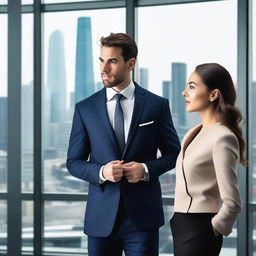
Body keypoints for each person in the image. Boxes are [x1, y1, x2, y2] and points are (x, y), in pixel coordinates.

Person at [66, 32, 181, 256]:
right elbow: (73, 162)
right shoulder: (85, 108)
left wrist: (145, 169)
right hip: (100, 219)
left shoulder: (156, 105)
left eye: (112, 61)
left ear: (131, 63)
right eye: (101, 60)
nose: (103, 68)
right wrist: (101, 171)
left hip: (142, 219)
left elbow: (174, 153)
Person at [170, 63, 246, 256]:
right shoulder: (191, 134)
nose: (184, 92)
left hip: (200, 229)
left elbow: (233, 202)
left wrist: (212, 229)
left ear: (214, 95)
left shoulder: (223, 137)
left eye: (192, 86)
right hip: (180, 225)